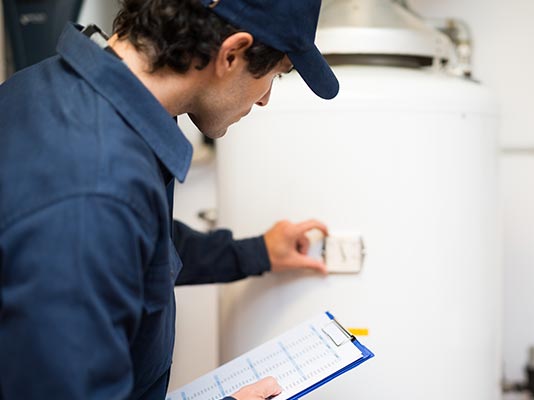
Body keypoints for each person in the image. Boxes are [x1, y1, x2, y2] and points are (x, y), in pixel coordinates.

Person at [0, 0, 338, 399]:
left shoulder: (46, 90)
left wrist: (256, 253)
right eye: (276, 75)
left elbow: (137, 247)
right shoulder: (93, 193)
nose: (264, 99)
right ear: (231, 54)